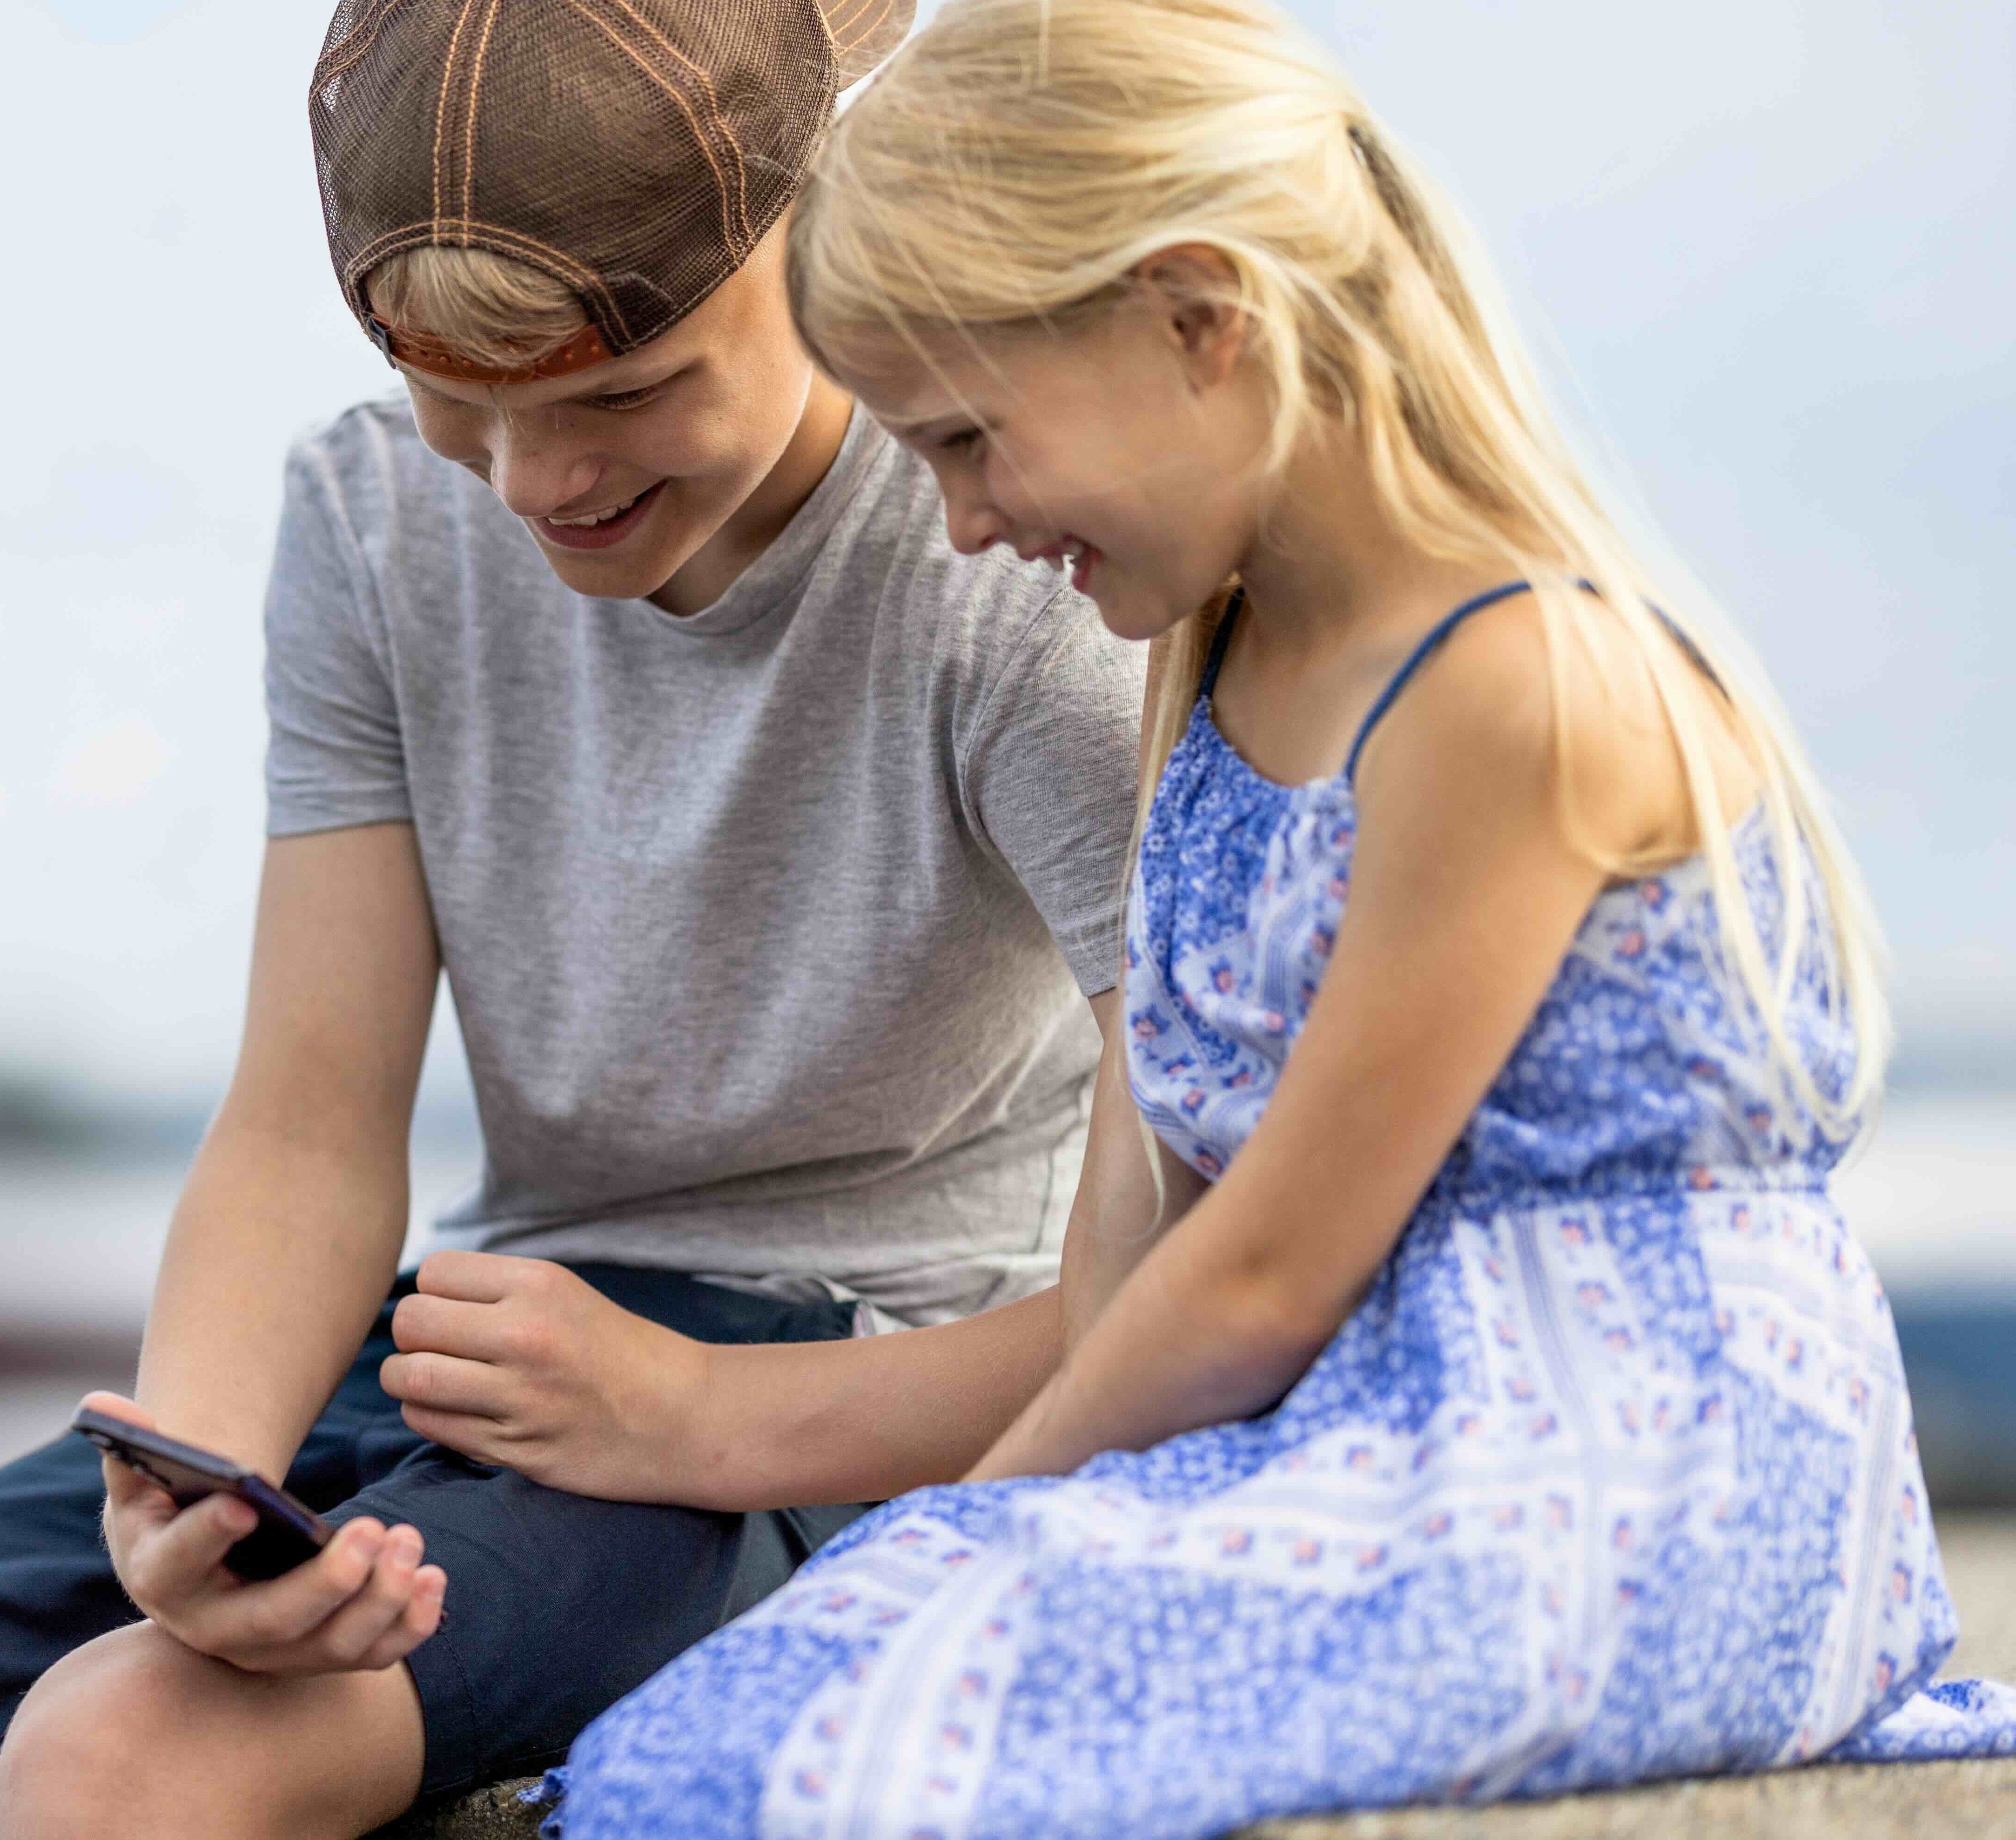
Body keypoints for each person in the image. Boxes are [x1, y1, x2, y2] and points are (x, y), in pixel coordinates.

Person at [0, 3, 1159, 1835]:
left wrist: (692, 1412)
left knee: (121, 1760)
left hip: (849, 1407)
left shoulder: (1011, 574)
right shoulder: (374, 520)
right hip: (489, 1348)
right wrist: (196, 1480)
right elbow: (303, 1116)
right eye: (461, 402)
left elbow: (1200, 1271)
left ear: (823, 232)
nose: (535, 488)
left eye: (619, 393)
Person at [538, 2, 2016, 1834]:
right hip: (1376, 1456)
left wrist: (961, 1535)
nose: (961, 521)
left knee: (867, 1732)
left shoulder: (1513, 681)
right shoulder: (1200, 680)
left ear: (1191, 314)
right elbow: (1129, 1267)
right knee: (704, 1737)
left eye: (969, 439)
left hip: (1638, 1486)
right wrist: (950, 1549)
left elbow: (1258, 1277)